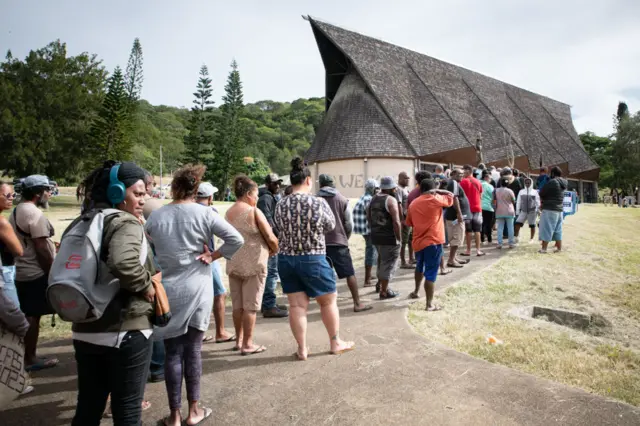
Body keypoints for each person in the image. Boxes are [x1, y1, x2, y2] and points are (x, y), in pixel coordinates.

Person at [145, 164, 244, 426]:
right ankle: (194, 411)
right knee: (194, 350)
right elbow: (236, 239)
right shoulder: (205, 214)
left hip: (168, 290)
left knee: (172, 353)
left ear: (175, 188)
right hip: (198, 287)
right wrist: (213, 255)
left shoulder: (155, 217)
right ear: (196, 189)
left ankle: (174, 415)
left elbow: (148, 246)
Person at [69, 161, 157, 425]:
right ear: (118, 193)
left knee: (88, 406)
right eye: (138, 194)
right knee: (128, 410)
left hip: (85, 327)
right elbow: (123, 262)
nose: (144, 199)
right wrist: (147, 285)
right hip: (125, 329)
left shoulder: (83, 220)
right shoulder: (125, 222)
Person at [274, 158, 354, 361]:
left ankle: (302, 349)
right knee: (328, 302)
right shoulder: (317, 202)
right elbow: (330, 225)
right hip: (313, 256)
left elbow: (278, 227)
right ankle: (335, 342)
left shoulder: (281, 204)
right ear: (308, 180)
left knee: (297, 306)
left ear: (291, 182)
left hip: (286, 259)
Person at [9, 175, 58, 372]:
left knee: (31, 313)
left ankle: (29, 354)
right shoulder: (32, 213)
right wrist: (52, 272)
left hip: (23, 269)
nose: (49, 193)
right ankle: (30, 358)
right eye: (46, 190)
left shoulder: (19, 209)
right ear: (38, 193)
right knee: (33, 315)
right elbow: (40, 247)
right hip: (35, 272)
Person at [225, 175, 278, 355]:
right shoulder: (253, 211)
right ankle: (248, 344)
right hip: (254, 263)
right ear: (248, 194)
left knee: (237, 305)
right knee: (251, 306)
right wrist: (274, 248)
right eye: (255, 194)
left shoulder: (229, 212)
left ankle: (239, 340)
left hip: (234, 262)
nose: (256, 198)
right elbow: (270, 236)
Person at [317, 174, 371, 312]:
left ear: (321, 185)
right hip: (339, 242)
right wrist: (344, 238)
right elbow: (349, 223)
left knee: (323, 276)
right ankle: (357, 303)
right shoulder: (341, 199)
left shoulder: (315, 200)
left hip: (320, 244)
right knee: (349, 273)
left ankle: (327, 307)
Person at [195, 182, 235, 344]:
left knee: (197, 296)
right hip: (208, 257)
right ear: (210, 197)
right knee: (219, 293)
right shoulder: (210, 212)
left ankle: (197, 332)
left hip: (192, 258)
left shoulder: (189, 211)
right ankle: (220, 331)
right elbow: (231, 237)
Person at [406, 179, 454, 310]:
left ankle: (416, 291)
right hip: (433, 241)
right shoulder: (436, 199)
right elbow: (451, 197)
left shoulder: (413, 203)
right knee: (431, 273)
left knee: (419, 267)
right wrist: (439, 190)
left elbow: (409, 222)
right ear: (432, 190)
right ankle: (429, 304)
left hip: (417, 242)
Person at [257, 174, 288, 318]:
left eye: (278, 184)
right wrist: (278, 237)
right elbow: (268, 222)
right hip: (269, 242)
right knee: (271, 273)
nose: (277, 186)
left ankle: (268, 304)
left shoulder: (270, 197)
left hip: (271, 241)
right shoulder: (266, 199)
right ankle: (269, 305)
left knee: (271, 273)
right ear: (267, 184)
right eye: (274, 184)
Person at [368, 176, 402, 299]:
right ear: (390, 189)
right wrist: (399, 239)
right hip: (389, 238)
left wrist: (375, 230)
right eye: (394, 188)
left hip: (376, 237)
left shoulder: (373, 199)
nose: (395, 190)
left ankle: (380, 285)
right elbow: (396, 222)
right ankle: (384, 291)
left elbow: (369, 217)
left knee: (381, 260)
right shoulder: (390, 200)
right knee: (389, 263)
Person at [352, 179, 379, 288]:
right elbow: (371, 216)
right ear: (372, 188)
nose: (377, 190)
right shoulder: (369, 199)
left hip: (363, 228)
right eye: (376, 188)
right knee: (371, 252)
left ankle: (370, 275)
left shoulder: (364, 197)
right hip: (368, 229)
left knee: (372, 251)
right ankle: (367, 280)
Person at [538, 166, 568, 254]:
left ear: (553, 173)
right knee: (558, 229)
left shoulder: (552, 182)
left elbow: (542, 192)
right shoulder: (564, 182)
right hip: (559, 209)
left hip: (550, 208)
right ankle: (559, 248)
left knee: (547, 228)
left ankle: (544, 249)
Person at [0, 181, 21, 309]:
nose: (12, 198)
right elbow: (19, 251)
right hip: (5, 271)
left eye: (13, 195)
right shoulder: (2, 222)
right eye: (7, 195)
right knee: (15, 319)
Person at [444, 169, 470, 269]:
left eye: (463, 174)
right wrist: (459, 213)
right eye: (459, 174)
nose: (461, 175)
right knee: (456, 237)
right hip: (455, 216)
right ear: (453, 174)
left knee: (456, 238)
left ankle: (454, 258)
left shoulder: (453, 183)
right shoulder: (454, 182)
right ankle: (451, 260)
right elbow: (454, 197)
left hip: (454, 216)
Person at [460, 165, 485, 257]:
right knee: (477, 230)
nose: (462, 174)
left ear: (467, 171)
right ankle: (478, 250)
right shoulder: (478, 182)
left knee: (468, 230)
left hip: (467, 209)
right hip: (477, 207)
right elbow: (481, 195)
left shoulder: (463, 182)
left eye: (463, 171)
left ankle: (468, 250)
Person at [515, 177, 540, 243]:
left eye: (529, 183)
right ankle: (517, 237)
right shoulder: (521, 191)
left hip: (532, 212)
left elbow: (538, 202)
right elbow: (518, 201)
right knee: (517, 223)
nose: (527, 184)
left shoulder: (535, 192)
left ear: (531, 183)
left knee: (532, 225)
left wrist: (538, 210)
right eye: (526, 183)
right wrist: (517, 211)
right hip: (523, 211)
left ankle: (531, 239)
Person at [397, 171, 413, 268]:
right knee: (404, 241)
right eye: (406, 178)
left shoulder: (405, 189)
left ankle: (411, 258)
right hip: (404, 220)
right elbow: (399, 204)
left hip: (409, 218)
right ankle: (403, 262)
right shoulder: (398, 189)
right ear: (400, 179)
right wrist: (402, 219)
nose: (408, 180)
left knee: (411, 239)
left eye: (408, 178)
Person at [494, 178, 517, 249]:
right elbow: (514, 200)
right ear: (508, 184)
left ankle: (499, 243)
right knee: (510, 227)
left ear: (501, 183)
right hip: (509, 211)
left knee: (500, 228)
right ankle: (511, 243)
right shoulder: (510, 191)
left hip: (499, 211)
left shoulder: (496, 191)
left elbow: (494, 201)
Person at [480, 171, 495, 244]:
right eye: (490, 178)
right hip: (489, 206)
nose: (491, 180)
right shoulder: (490, 186)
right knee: (488, 223)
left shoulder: (479, 184)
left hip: (480, 206)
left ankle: (482, 239)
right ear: (486, 178)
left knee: (482, 223)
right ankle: (489, 239)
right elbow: (493, 196)